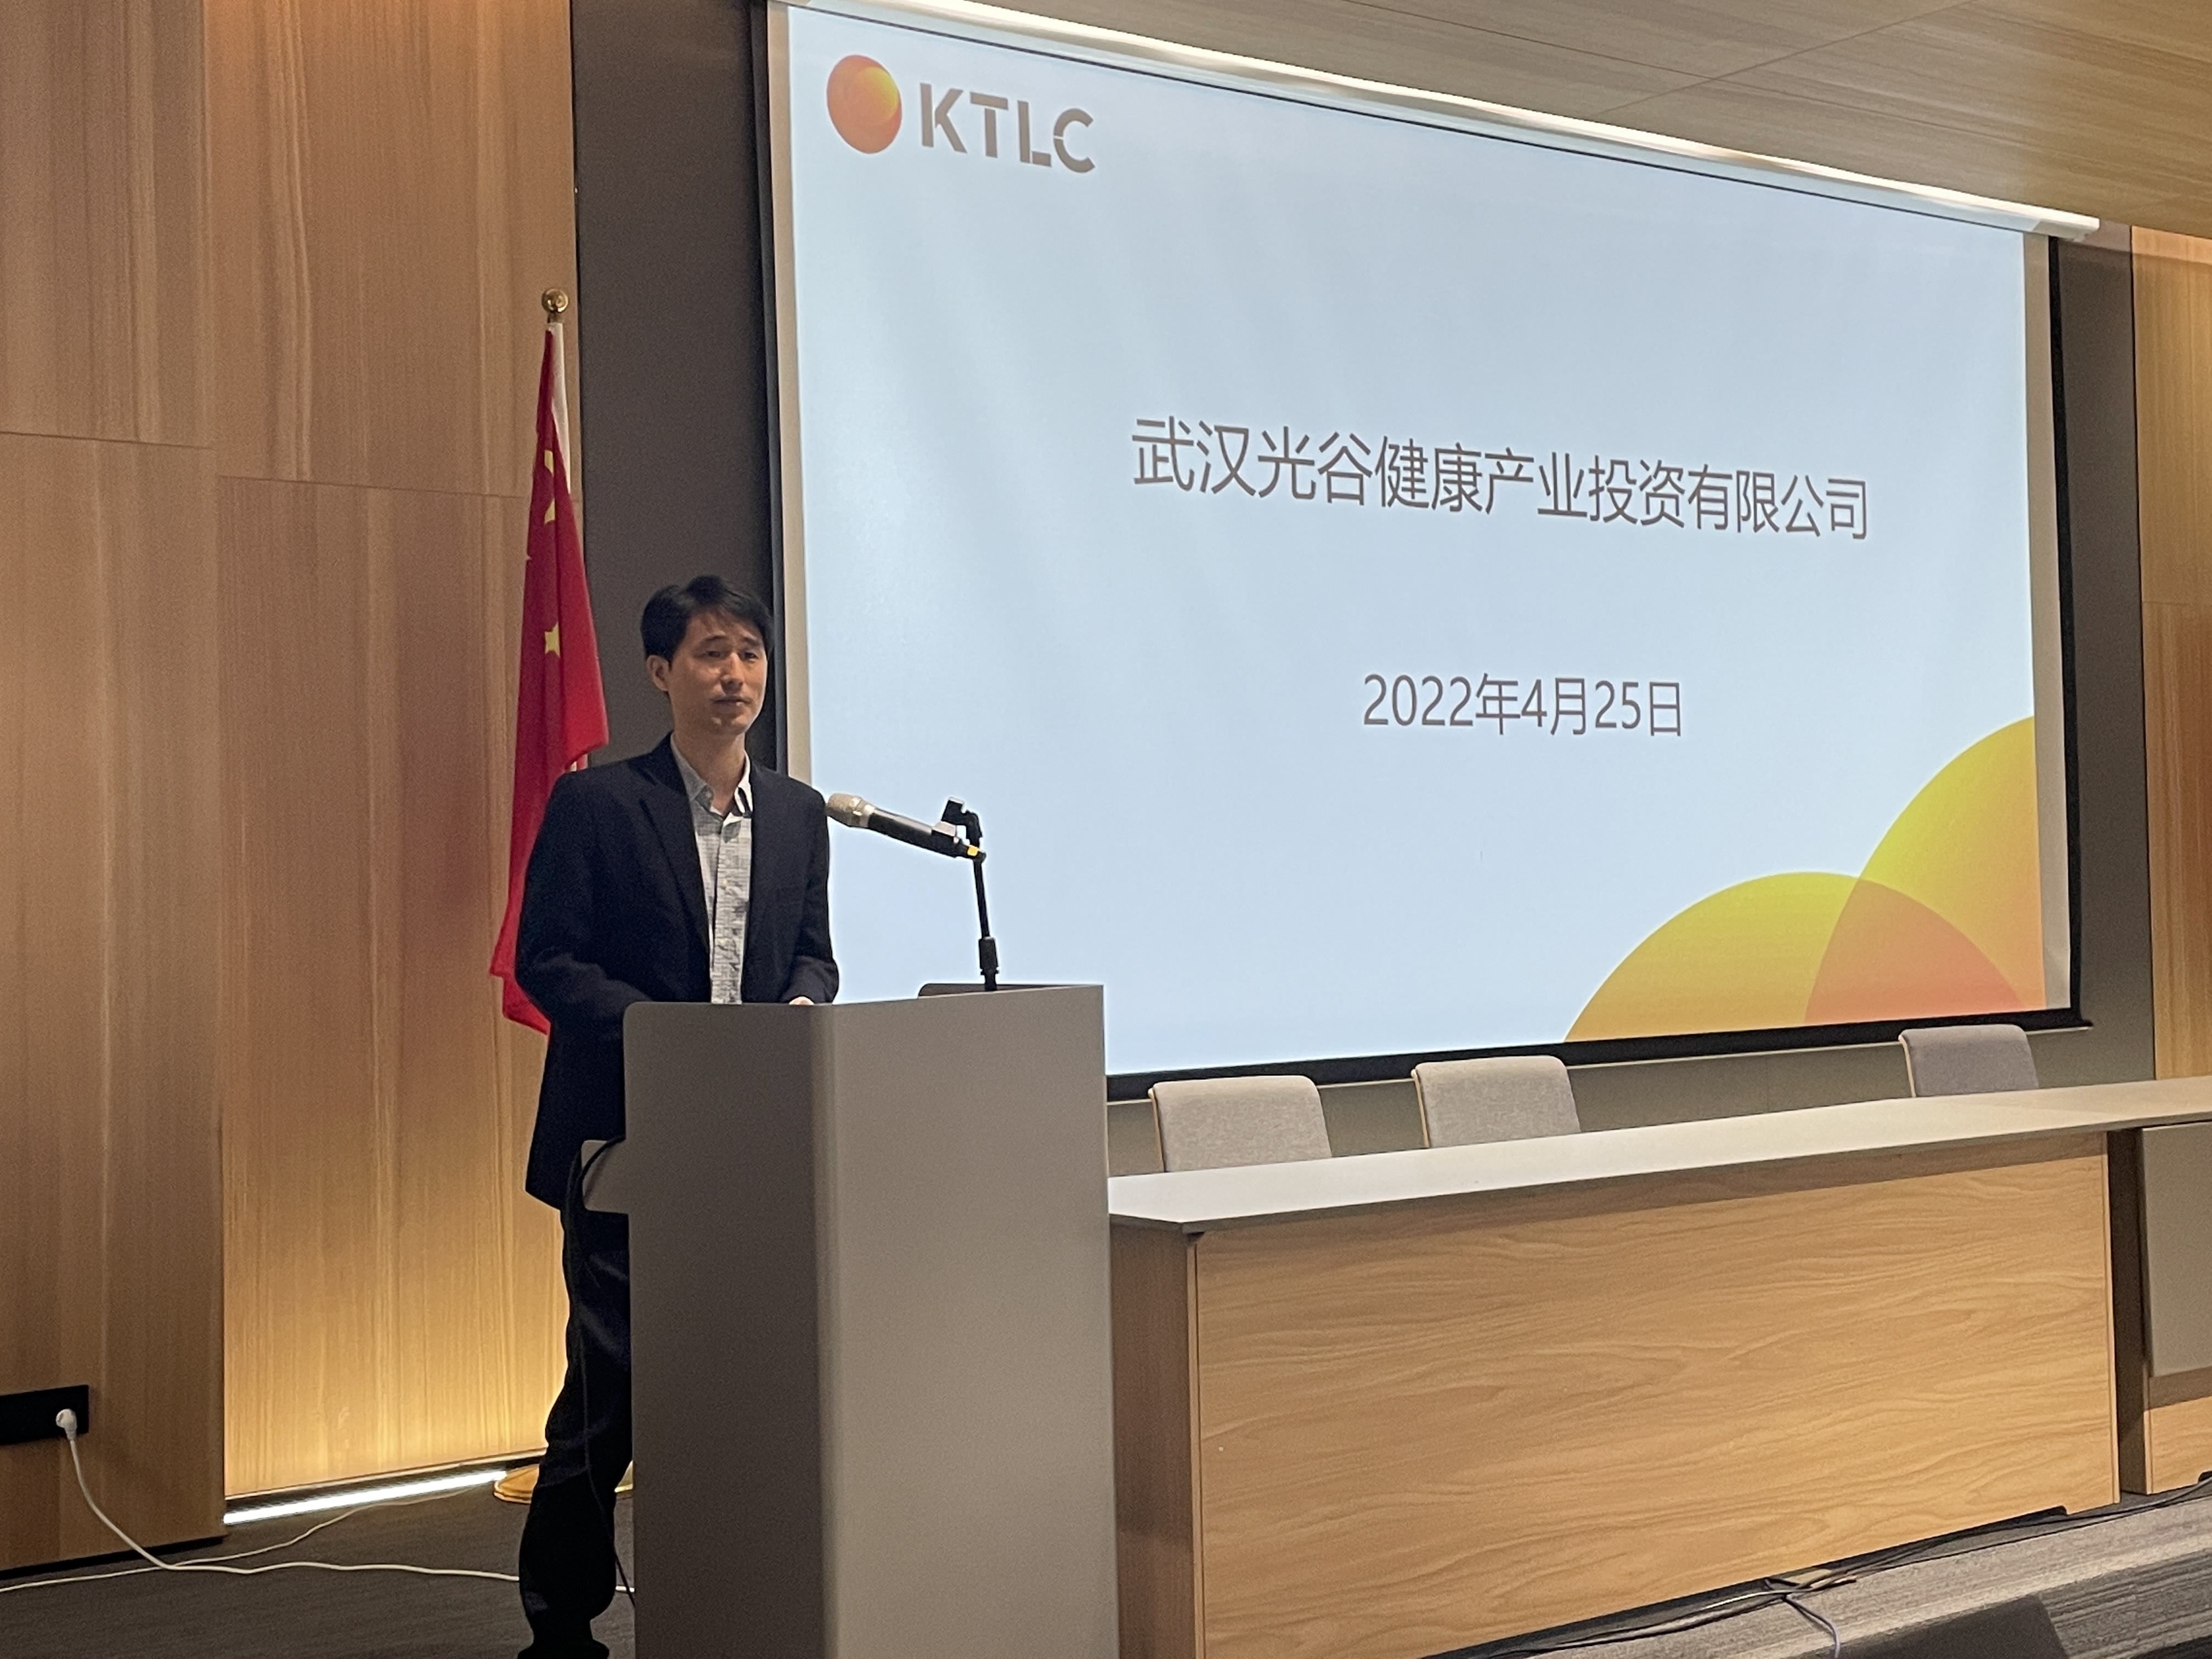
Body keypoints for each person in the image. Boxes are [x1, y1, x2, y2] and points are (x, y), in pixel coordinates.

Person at [511, 575, 837, 1657]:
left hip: (749, 1146)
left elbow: (813, 954)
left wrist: (803, 1005)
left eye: (749, 653)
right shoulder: (599, 807)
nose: (734, 675)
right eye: (709, 653)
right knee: (610, 1390)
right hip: (624, 1141)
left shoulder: (797, 812)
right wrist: (669, 1036)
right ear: (661, 672)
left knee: (739, 1389)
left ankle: (726, 1602)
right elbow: (548, 961)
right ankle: (562, 1625)